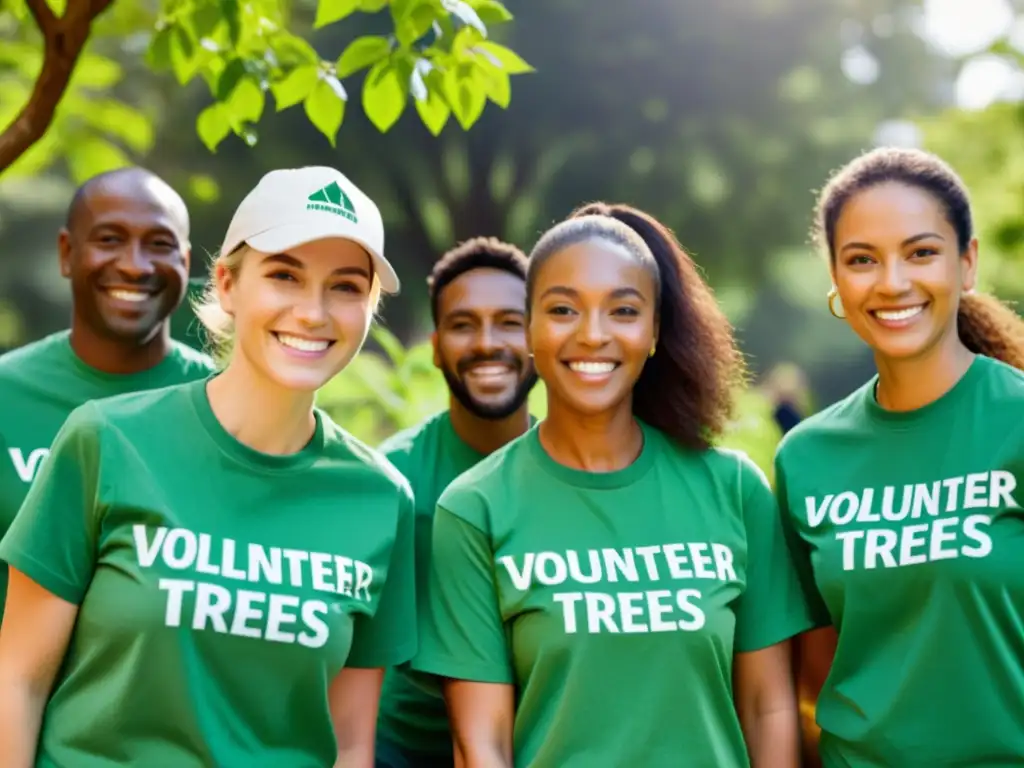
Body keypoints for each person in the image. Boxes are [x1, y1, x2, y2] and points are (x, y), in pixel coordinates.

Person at [0, 166, 417, 766]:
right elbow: (18, 682)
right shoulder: (107, 441)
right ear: (226, 284)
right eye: (284, 275)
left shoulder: (381, 499)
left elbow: (349, 742)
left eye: (346, 287)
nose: (313, 312)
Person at [411, 202, 814, 767]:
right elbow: (481, 744)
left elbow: (768, 704)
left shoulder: (734, 489)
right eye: (562, 310)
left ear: (652, 331)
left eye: (623, 311)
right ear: (530, 327)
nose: (592, 335)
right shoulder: (475, 508)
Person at [775, 146, 1024, 768]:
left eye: (921, 252)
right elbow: (817, 665)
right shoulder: (806, 458)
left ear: (966, 265)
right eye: (862, 260)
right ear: (836, 276)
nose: (892, 283)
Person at [0, 167, 215, 627]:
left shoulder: (224, 406)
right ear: (66, 253)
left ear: (186, 260)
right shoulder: (6, 395)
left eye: (159, 244)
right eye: (110, 239)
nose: (135, 265)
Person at [375, 237, 538, 768]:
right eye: (464, 324)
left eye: (510, 322)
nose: (487, 342)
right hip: (403, 751)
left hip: (539, 744)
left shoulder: (576, 473)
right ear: (436, 347)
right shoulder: (390, 477)